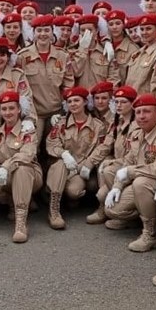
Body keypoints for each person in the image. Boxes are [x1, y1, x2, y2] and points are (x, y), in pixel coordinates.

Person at [103, 93, 156, 252]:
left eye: (146, 111)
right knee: (112, 210)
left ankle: (150, 234)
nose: (142, 116)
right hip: (143, 179)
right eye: (138, 112)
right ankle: (137, 218)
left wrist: (130, 172)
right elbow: (128, 161)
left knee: (140, 182)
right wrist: (117, 186)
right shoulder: (137, 133)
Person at [0, 90, 43, 243]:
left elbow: (27, 154)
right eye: (4, 109)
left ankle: (20, 223)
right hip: (5, 178)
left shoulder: (28, 130)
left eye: (12, 108)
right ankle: (15, 203)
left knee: (21, 168)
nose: (8, 112)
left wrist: (6, 166)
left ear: (19, 109)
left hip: (30, 175)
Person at [44, 86, 109, 229]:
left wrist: (88, 163)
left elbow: (102, 147)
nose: (73, 104)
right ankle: (53, 211)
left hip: (83, 168)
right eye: (69, 101)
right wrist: (63, 154)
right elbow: (51, 143)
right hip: (64, 168)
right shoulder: (61, 123)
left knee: (73, 192)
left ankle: (78, 201)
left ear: (85, 102)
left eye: (77, 100)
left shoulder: (98, 126)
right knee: (61, 164)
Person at [16, 15, 74, 138]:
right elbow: (19, 84)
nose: (43, 34)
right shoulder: (22, 57)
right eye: (39, 31)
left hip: (57, 111)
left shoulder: (63, 56)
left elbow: (68, 83)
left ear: (53, 32)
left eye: (47, 30)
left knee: (55, 146)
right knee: (34, 148)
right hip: (34, 113)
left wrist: (65, 110)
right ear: (33, 33)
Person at [91, 85, 137, 225]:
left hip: (131, 167)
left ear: (132, 104)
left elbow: (133, 156)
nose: (119, 105)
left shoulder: (137, 125)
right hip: (119, 164)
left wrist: (112, 163)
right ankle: (106, 208)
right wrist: (89, 162)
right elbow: (106, 145)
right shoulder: (118, 122)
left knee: (108, 171)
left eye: (123, 102)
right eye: (116, 102)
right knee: (101, 193)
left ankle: (126, 215)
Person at [69, 14, 117, 90]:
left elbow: (113, 76)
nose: (86, 33)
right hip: (80, 97)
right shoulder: (72, 51)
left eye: (90, 30)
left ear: (96, 30)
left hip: (101, 96)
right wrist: (82, 49)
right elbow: (76, 72)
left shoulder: (105, 50)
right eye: (82, 30)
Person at [124, 14, 156, 96]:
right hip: (131, 103)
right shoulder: (136, 54)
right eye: (142, 29)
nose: (144, 32)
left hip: (146, 103)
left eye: (148, 29)